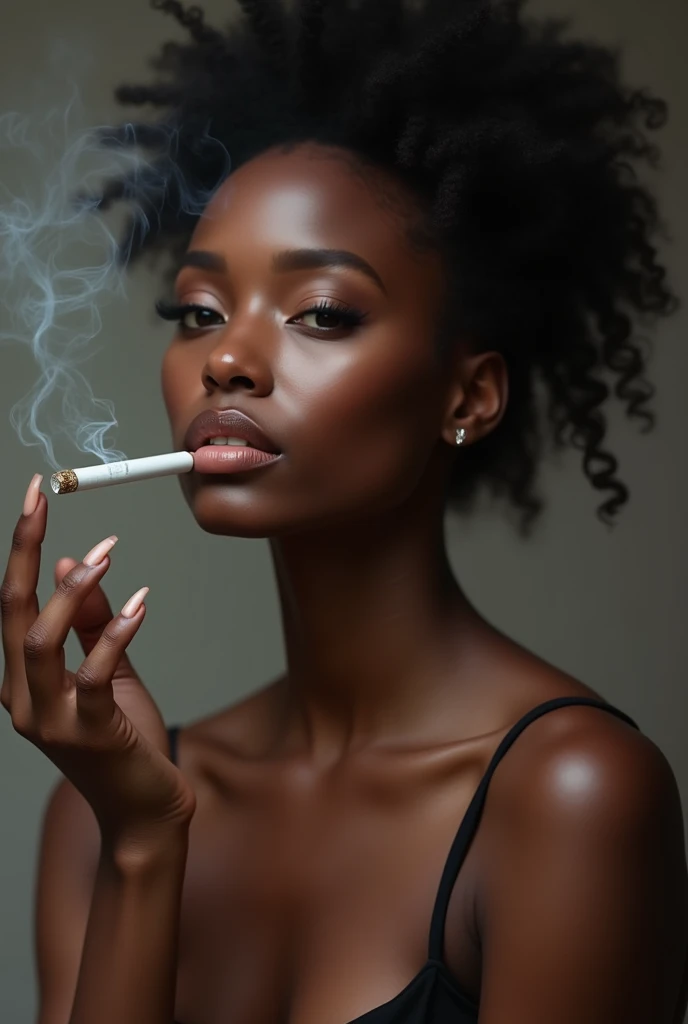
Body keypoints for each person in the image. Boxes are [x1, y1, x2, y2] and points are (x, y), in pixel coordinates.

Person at [2, 1, 687, 1022]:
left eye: (321, 311)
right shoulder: (99, 804)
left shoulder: (570, 797)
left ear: (469, 396)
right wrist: (144, 846)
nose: (226, 357)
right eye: (198, 311)